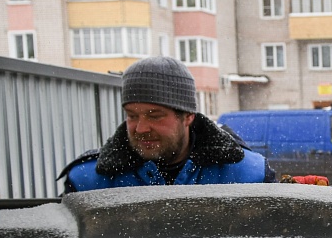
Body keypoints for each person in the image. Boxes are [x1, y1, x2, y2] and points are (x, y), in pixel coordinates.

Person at [62, 56, 272, 191]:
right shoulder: (88, 181)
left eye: (155, 115)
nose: (141, 128)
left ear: (188, 116)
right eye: (132, 115)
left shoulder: (248, 175)